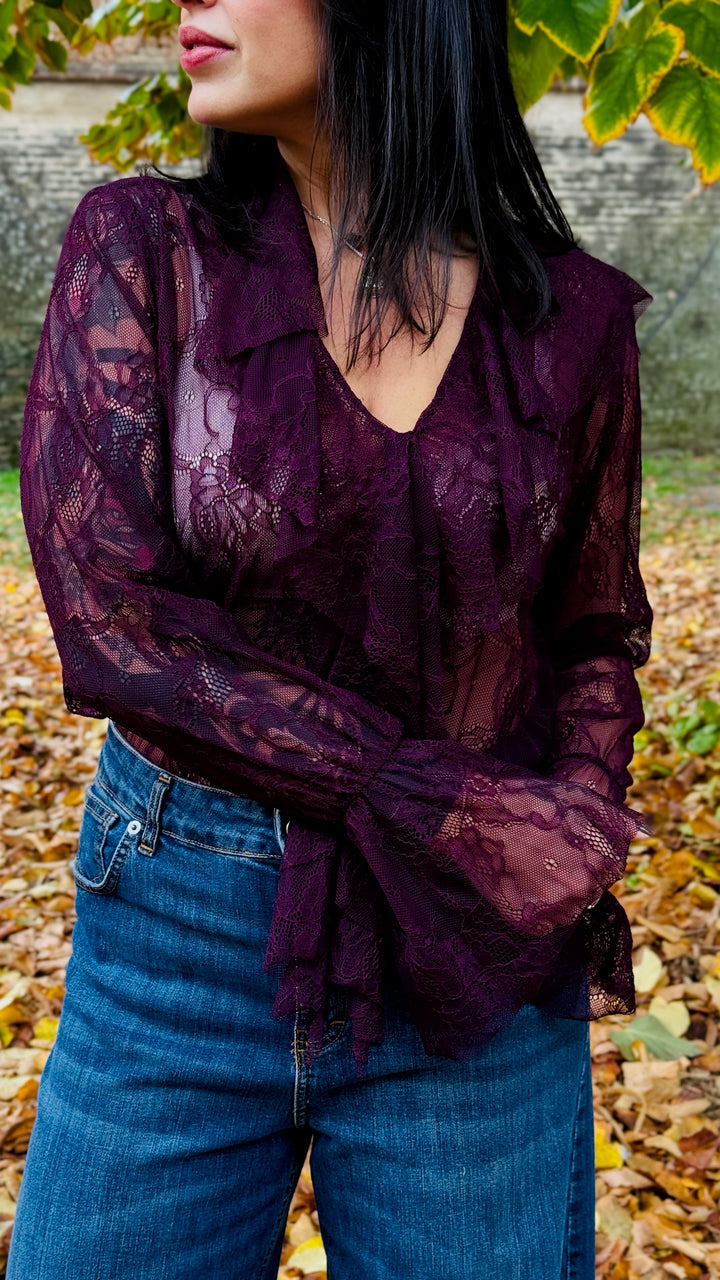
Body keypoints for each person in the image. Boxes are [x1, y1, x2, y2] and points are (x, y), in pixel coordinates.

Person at [8, 0, 654, 1276]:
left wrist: (573, 819)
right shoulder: (145, 252)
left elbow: (591, 624)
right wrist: (420, 794)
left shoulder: (568, 319)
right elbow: (113, 619)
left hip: (469, 949)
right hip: (180, 926)